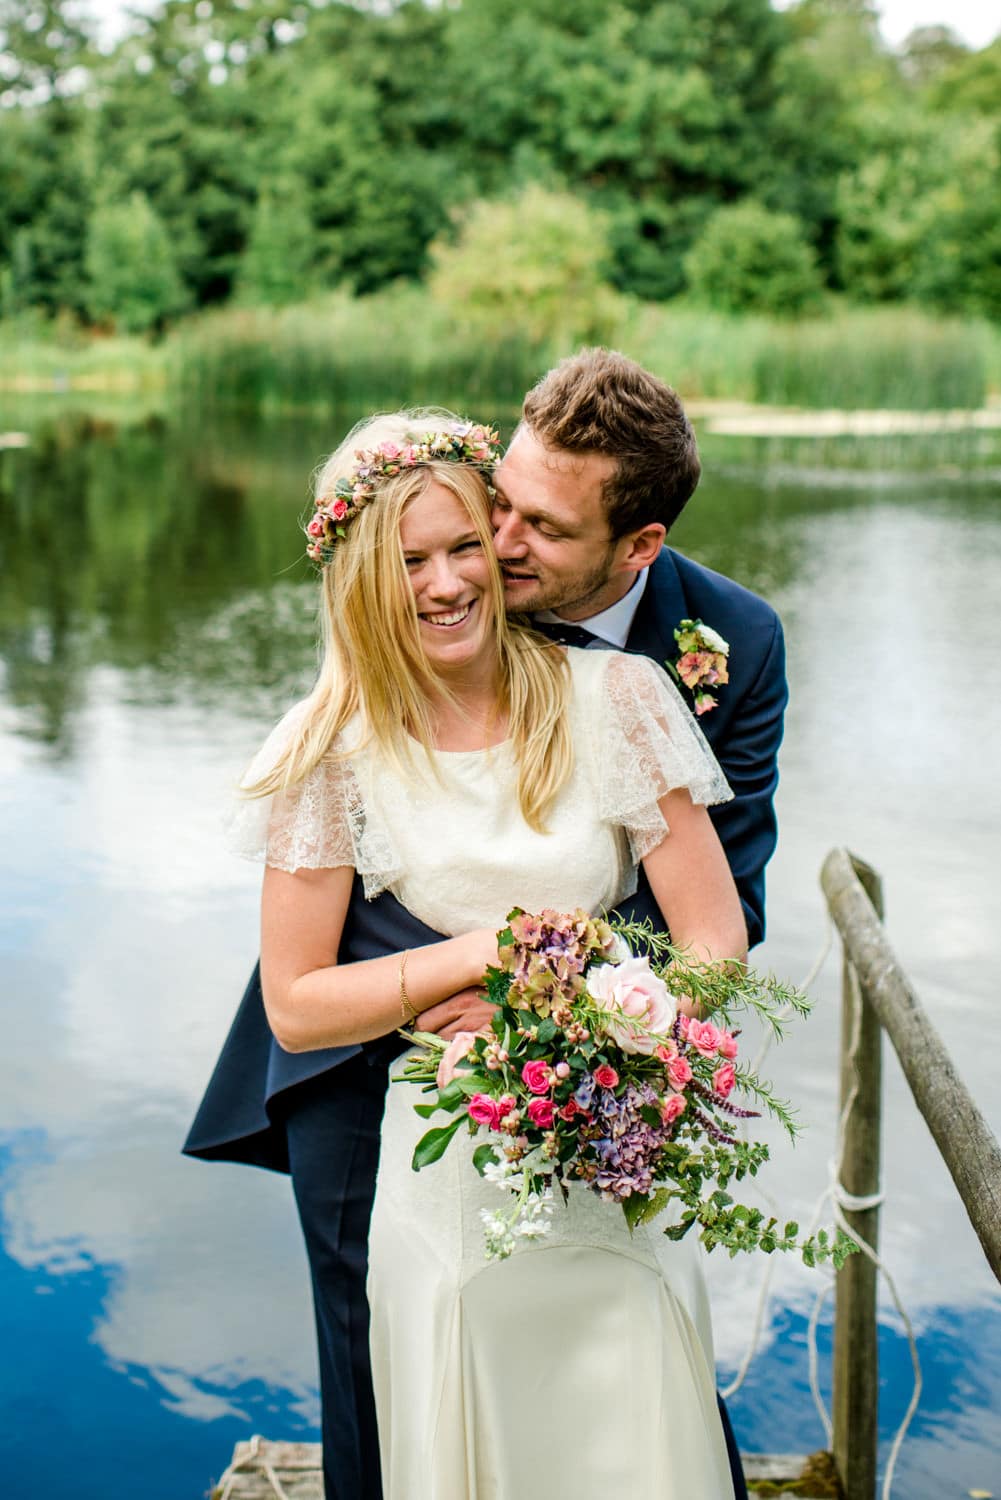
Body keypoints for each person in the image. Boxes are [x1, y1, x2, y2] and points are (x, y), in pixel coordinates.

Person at [184, 350, 788, 1500]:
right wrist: (481, 964)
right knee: (398, 1391)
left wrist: (608, 1024)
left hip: (592, 1099)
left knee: (633, 1394)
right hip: (392, 1101)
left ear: (633, 546)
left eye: (502, 534)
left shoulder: (656, 678)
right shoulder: (330, 748)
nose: (487, 556)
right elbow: (298, 1000)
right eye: (480, 514)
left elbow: (719, 923)